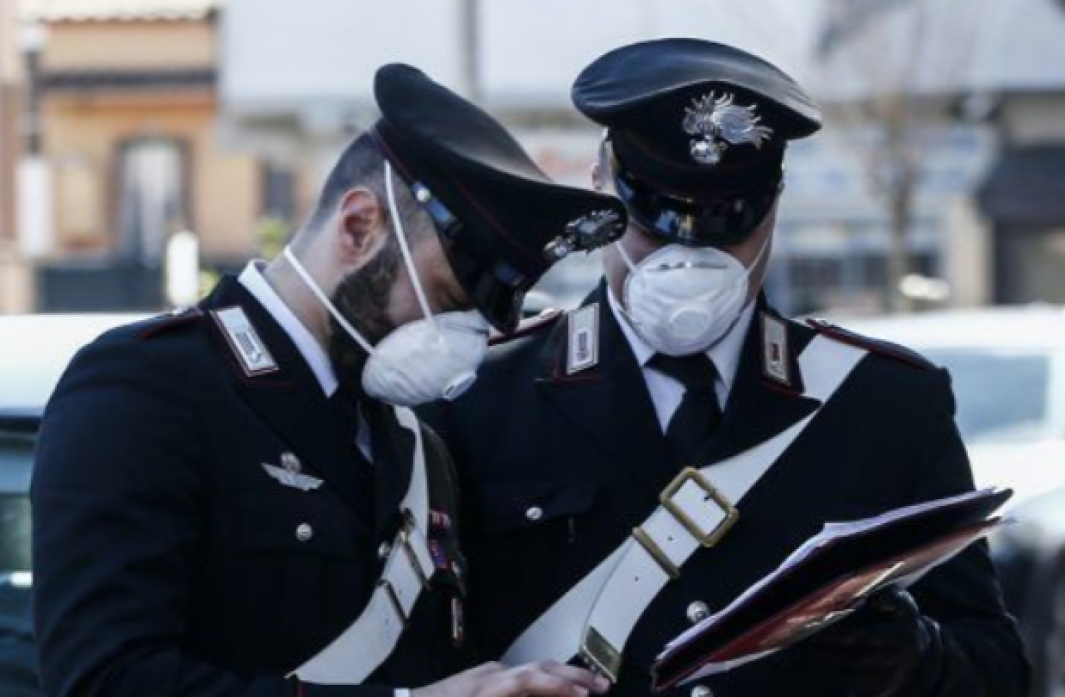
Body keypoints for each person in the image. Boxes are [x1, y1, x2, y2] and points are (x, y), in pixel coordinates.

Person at [422, 39, 1030, 696]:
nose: (689, 257)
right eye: (655, 226)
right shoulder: (479, 396)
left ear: (772, 207)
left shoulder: (883, 402)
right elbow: (421, 656)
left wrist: (913, 655)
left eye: (723, 227)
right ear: (601, 190)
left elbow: (997, 668)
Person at [32, 64, 625, 697]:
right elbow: (104, 680)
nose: (460, 342)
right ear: (358, 227)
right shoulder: (151, 387)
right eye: (447, 298)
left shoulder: (414, 445)